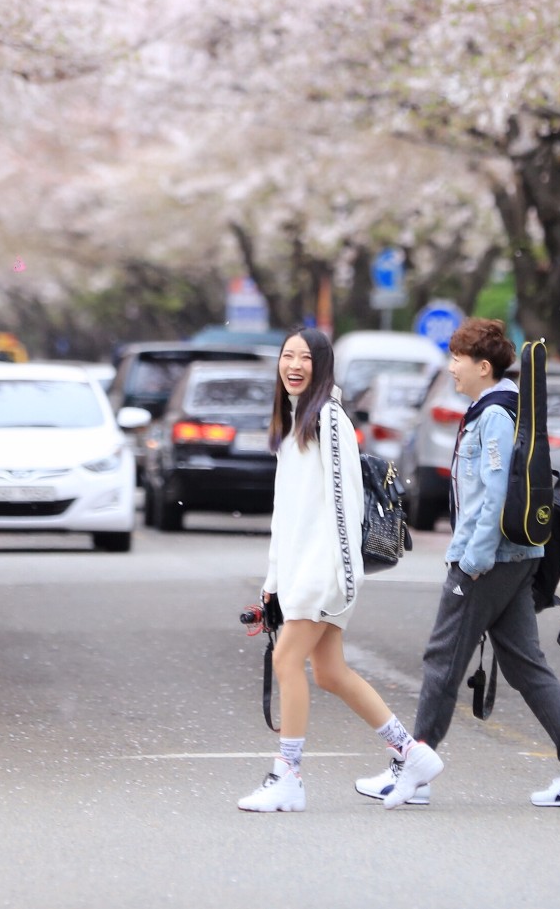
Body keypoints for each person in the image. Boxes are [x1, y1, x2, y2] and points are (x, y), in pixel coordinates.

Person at [359, 317, 560, 810]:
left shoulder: (494, 415)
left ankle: (413, 771)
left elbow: (492, 493)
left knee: (441, 660)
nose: (451, 367)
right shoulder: (498, 407)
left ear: (483, 367)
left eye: (457, 358)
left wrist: (471, 561)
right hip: (515, 557)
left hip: (489, 560)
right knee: (525, 666)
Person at [240, 328, 419, 813]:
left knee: (286, 662)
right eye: (287, 356)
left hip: (326, 573)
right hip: (302, 574)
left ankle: (288, 776)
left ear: (322, 366)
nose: (293, 365)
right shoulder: (296, 419)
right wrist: (272, 586)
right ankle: (410, 753)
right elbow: (285, 516)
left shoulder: (329, 419)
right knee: (330, 672)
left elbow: (346, 505)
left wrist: (343, 575)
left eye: (305, 358)